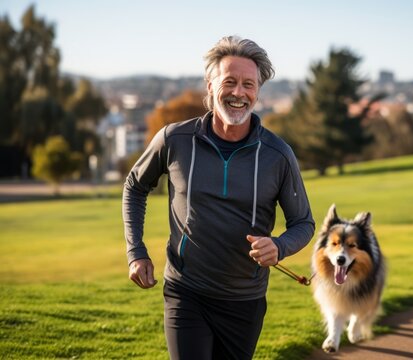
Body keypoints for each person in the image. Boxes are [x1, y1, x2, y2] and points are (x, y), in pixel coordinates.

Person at [122, 35, 315, 360]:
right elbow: (134, 186)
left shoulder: (277, 155)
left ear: (257, 92)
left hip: (245, 301)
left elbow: (303, 223)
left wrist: (279, 246)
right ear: (210, 86)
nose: (239, 93)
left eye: (248, 84)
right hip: (186, 292)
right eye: (229, 82)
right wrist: (136, 251)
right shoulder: (174, 139)